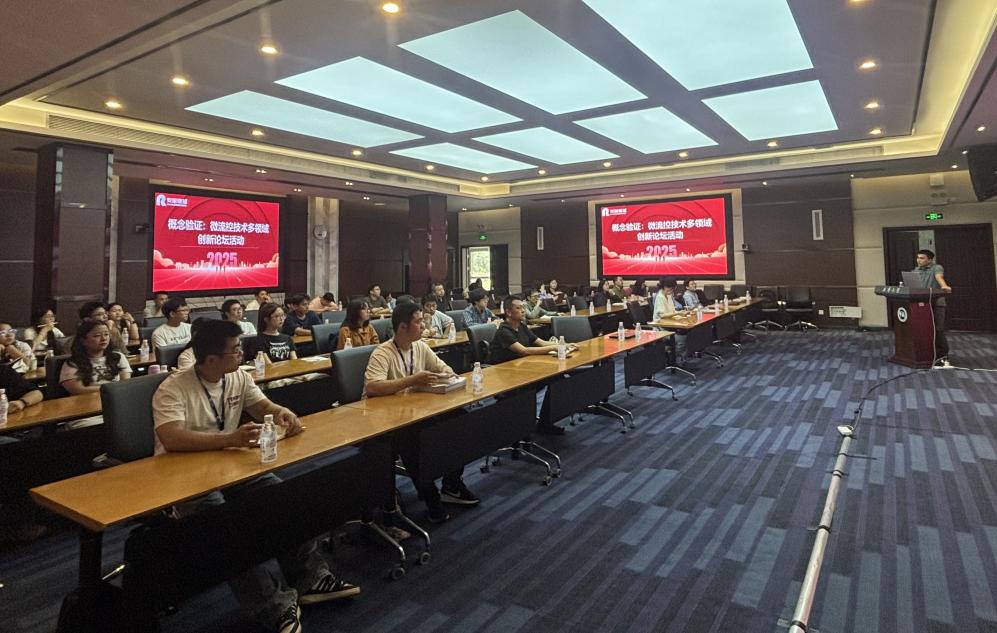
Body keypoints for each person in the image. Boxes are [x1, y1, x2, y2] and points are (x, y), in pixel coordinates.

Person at [153, 319, 358, 633]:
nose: (242, 354)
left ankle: (310, 578)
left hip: (230, 464)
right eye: (235, 350)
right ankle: (273, 607)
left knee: (282, 499)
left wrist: (281, 412)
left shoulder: (237, 376)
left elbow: (261, 404)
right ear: (211, 359)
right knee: (228, 527)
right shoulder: (173, 388)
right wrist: (229, 439)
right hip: (185, 476)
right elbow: (171, 437)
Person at [364, 302, 479, 523]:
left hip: (416, 410)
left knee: (461, 419)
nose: (424, 325)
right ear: (402, 327)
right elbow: (373, 387)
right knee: (413, 439)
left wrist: (445, 377)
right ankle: (431, 498)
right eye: (418, 322)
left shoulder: (420, 347)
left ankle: (452, 484)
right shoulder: (383, 352)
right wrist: (413, 380)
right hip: (386, 419)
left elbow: (444, 368)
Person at [488, 297, 574, 435]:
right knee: (554, 379)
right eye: (519, 308)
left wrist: (562, 345)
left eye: (523, 307)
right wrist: (554, 348)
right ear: (508, 312)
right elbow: (524, 351)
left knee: (557, 379)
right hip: (507, 377)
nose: (523, 310)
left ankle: (545, 423)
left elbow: (540, 342)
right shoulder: (504, 331)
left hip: (524, 370)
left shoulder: (521, 326)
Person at [59, 319, 131, 394]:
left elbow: (125, 384)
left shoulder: (118, 357)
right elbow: (77, 389)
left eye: (106, 334)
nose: (104, 339)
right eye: (97, 336)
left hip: (115, 397)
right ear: (83, 340)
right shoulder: (73, 363)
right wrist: (111, 388)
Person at [914, 249, 953, 364]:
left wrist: (944, 286)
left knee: (938, 329)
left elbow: (939, 277)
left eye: (922, 258)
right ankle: (927, 353)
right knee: (924, 328)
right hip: (922, 303)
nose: (918, 260)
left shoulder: (937, 268)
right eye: (918, 258)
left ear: (930, 260)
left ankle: (943, 355)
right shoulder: (916, 270)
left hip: (937, 302)